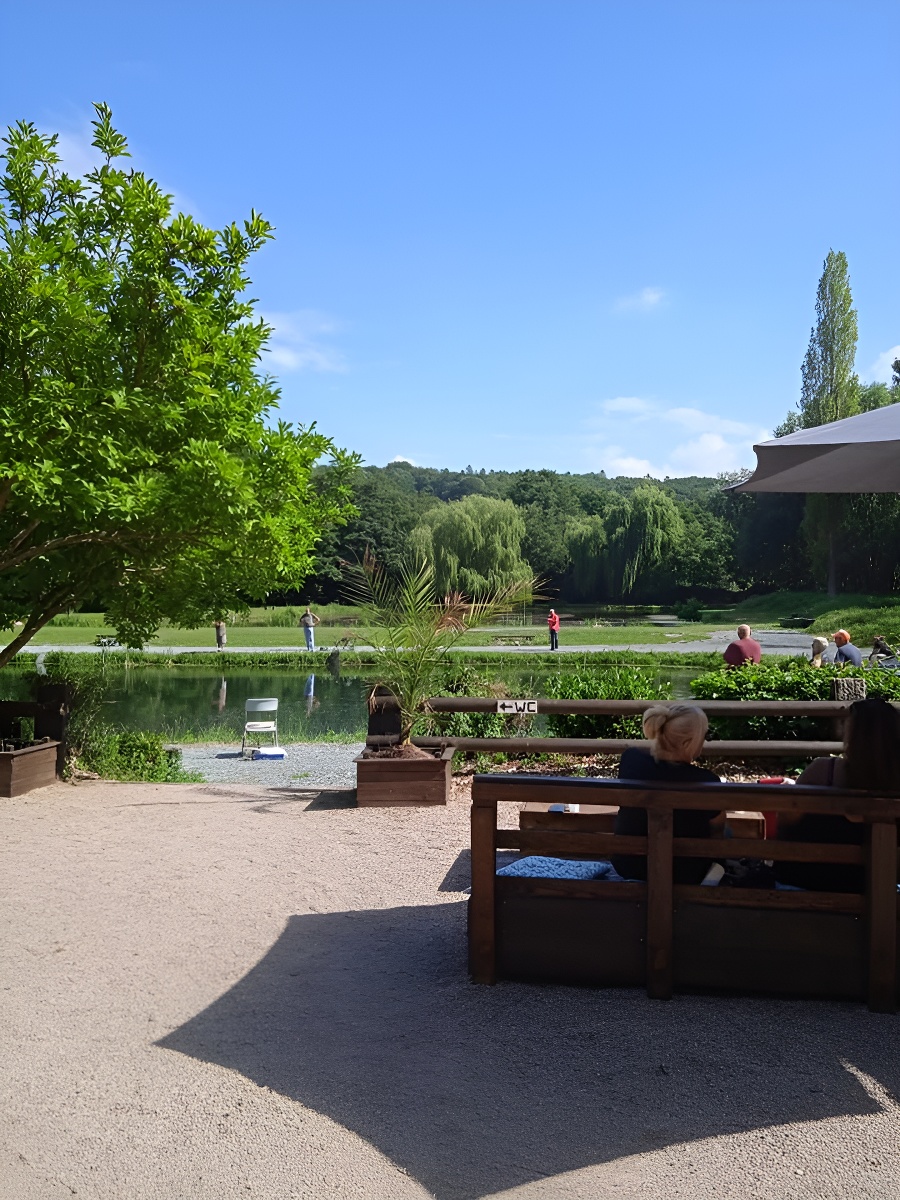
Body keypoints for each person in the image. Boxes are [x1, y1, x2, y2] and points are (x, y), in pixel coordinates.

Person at [776, 697, 900, 893]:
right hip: (877, 892)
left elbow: (785, 823)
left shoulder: (824, 772)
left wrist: (797, 791)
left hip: (803, 886)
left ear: (853, 735)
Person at [611, 704, 725, 885]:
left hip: (628, 865)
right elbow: (717, 829)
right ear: (688, 743)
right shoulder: (706, 781)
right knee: (725, 831)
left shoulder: (630, 760)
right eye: (703, 737)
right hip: (685, 873)